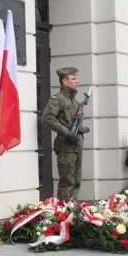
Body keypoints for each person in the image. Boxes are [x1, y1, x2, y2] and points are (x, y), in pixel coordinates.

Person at [43, 67, 86, 201]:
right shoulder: (58, 99)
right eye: (73, 79)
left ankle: (72, 210)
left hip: (77, 146)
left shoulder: (76, 102)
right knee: (67, 182)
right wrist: (67, 132)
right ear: (64, 82)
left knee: (76, 181)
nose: (77, 81)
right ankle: (64, 213)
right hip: (66, 147)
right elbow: (47, 117)